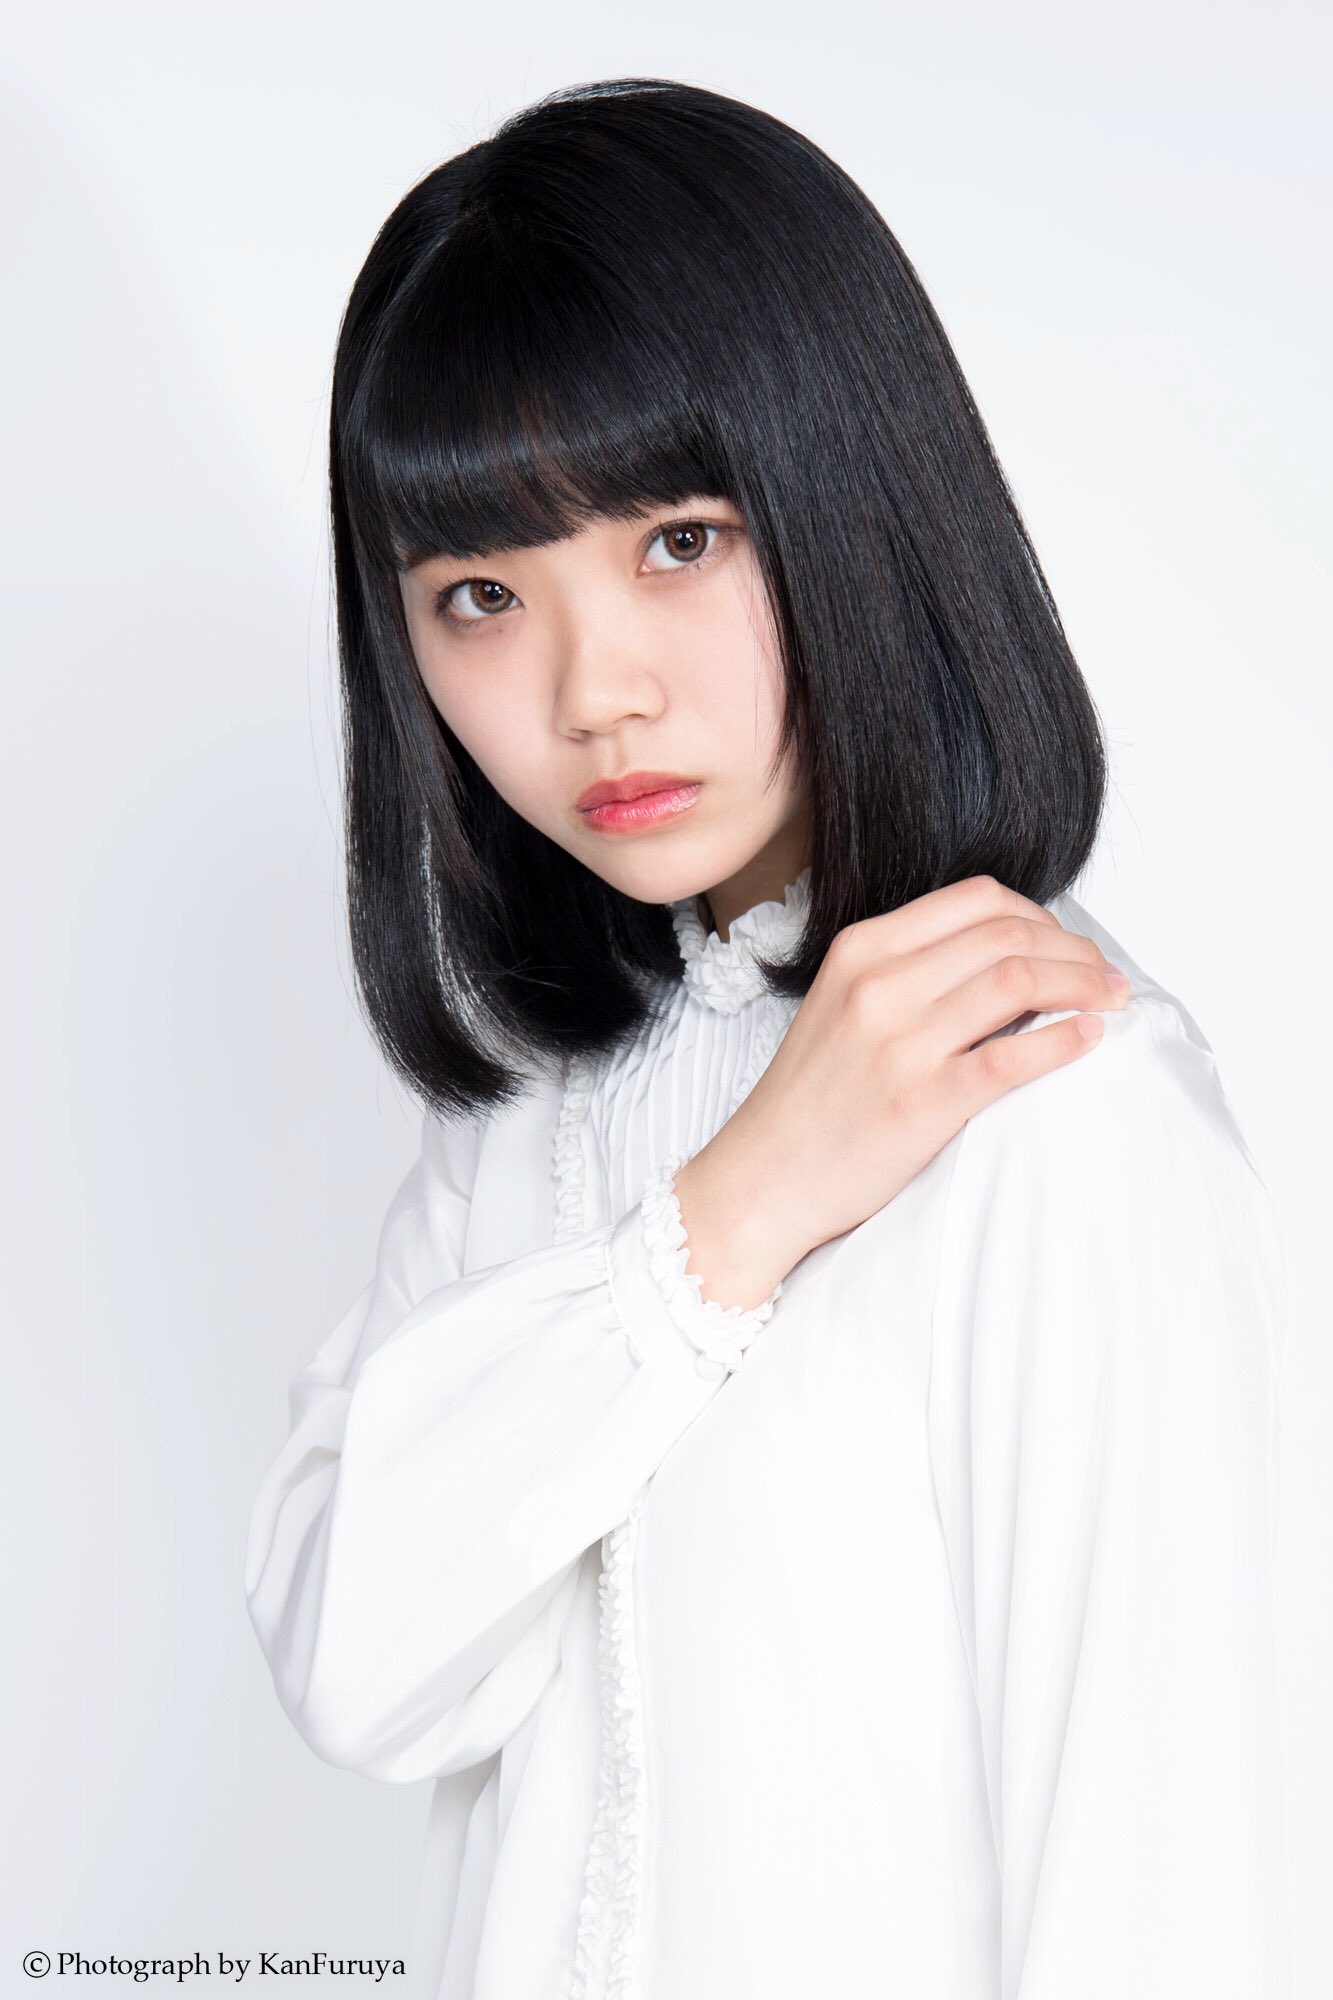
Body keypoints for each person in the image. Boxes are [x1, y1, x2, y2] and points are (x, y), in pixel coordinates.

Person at [243, 77, 1292, 2000]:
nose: (594, 691)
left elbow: (1166, 1903)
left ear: (853, 494)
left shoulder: (1058, 1094)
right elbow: (354, 1669)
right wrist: (720, 1226)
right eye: (480, 595)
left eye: (678, 541)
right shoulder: (534, 1104)